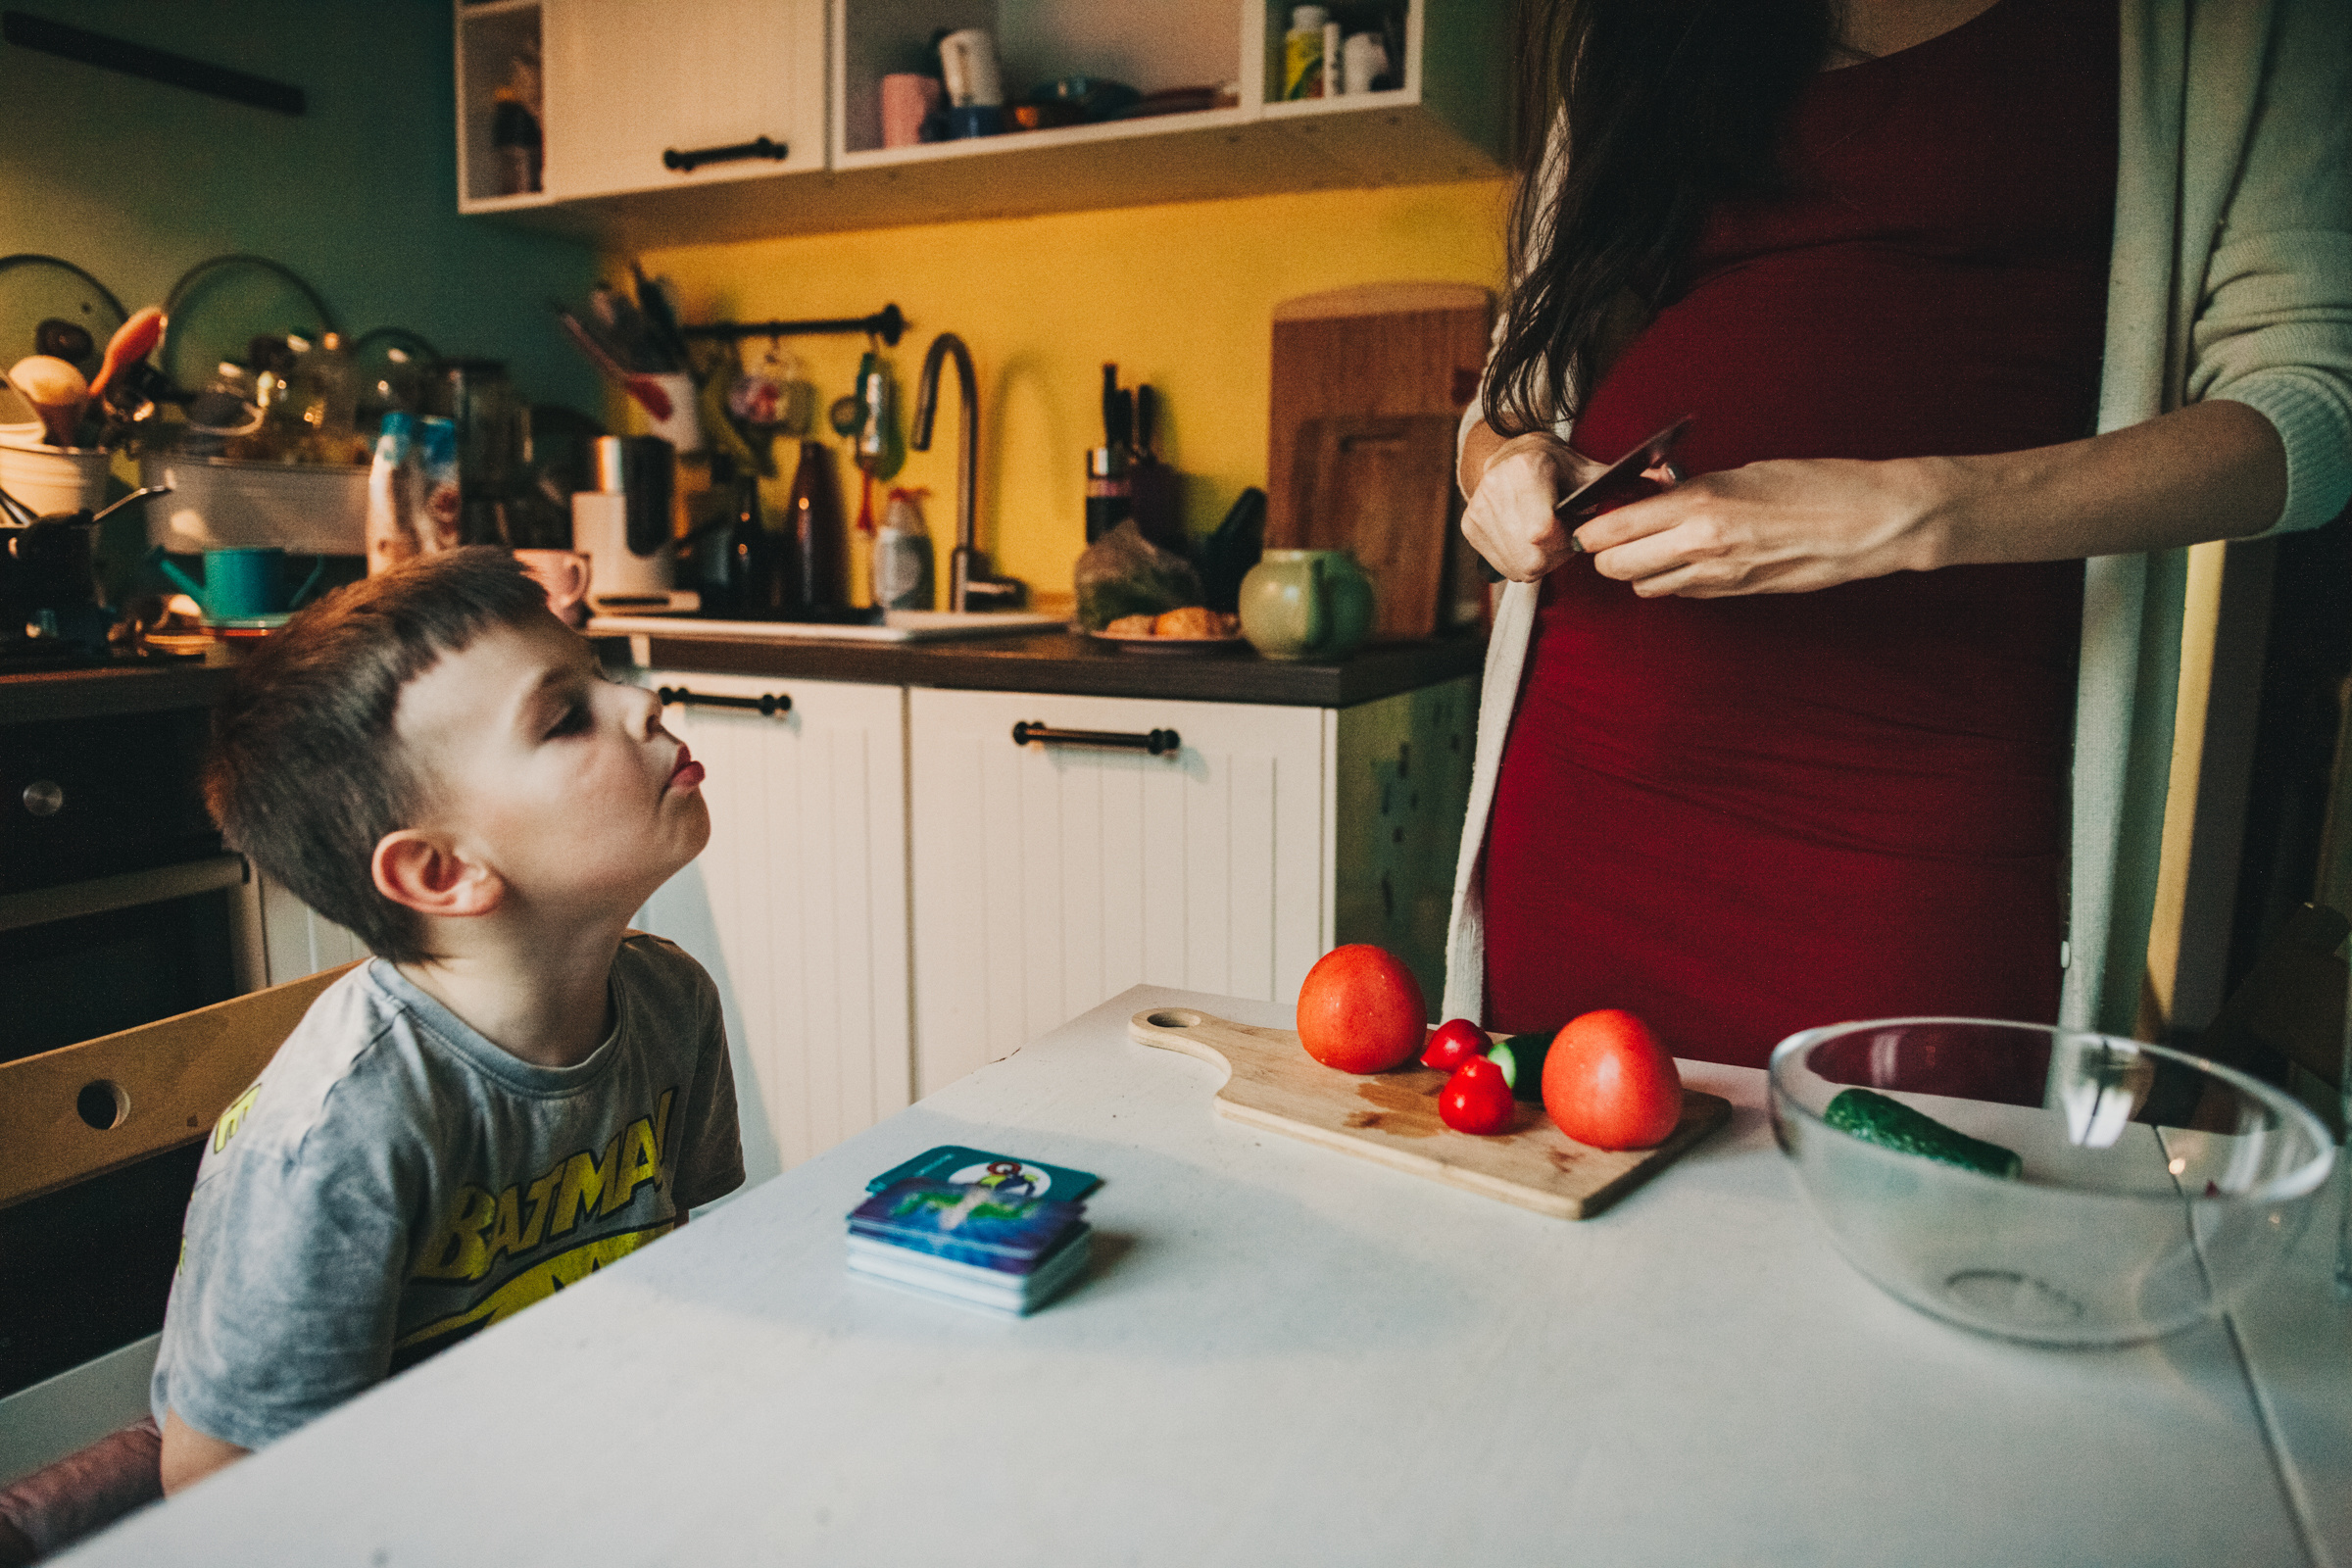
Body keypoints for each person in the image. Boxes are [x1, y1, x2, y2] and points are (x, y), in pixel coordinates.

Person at [1443, 0, 2352, 1069]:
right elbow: (1519, 380)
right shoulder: (1641, 28)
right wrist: (1500, 466)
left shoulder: (2235, 20)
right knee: (1546, 1196)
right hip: (1594, 762)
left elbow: (2313, 414)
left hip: (1927, 777)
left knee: (1916, 1198)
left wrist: (1906, 511)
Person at [151, 548, 745, 1494]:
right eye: (564, 717)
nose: (640, 702)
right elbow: (212, 1481)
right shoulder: (339, 1136)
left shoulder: (674, 1004)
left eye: (600, 674)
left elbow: (675, 1266)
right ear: (440, 872)